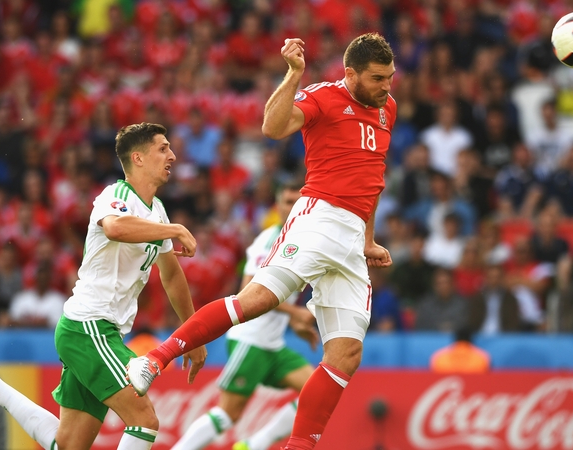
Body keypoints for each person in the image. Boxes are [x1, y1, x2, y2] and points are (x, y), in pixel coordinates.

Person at [127, 34, 396, 450]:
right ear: (350, 74)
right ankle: (156, 358)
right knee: (256, 301)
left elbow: (373, 178)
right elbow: (272, 127)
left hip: (352, 237)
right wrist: (293, 74)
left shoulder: (386, 109)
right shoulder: (323, 96)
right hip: (319, 217)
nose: (386, 87)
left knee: (345, 355)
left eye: (390, 78)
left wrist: (368, 239)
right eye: (378, 78)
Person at [0, 123, 207, 450]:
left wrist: (193, 335)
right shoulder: (115, 196)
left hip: (99, 331)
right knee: (144, 420)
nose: (172, 155)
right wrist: (174, 229)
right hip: (89, 328)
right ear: (138, 158)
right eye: (163, 148)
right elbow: (115, 228)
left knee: (68, 446)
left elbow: (172, 276)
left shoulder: (157, 211)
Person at [171, 182, 319, 450]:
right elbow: (248, 291)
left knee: (316, 393)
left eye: (298, 202)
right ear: (278, 207)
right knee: (228, 414)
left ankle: (253, 445)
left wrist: (294, 322)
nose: (293, 207)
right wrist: (296, 312)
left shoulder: (304, 241)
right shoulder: (270, 240)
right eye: (287, 202)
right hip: (250, 339)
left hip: (273, 344)